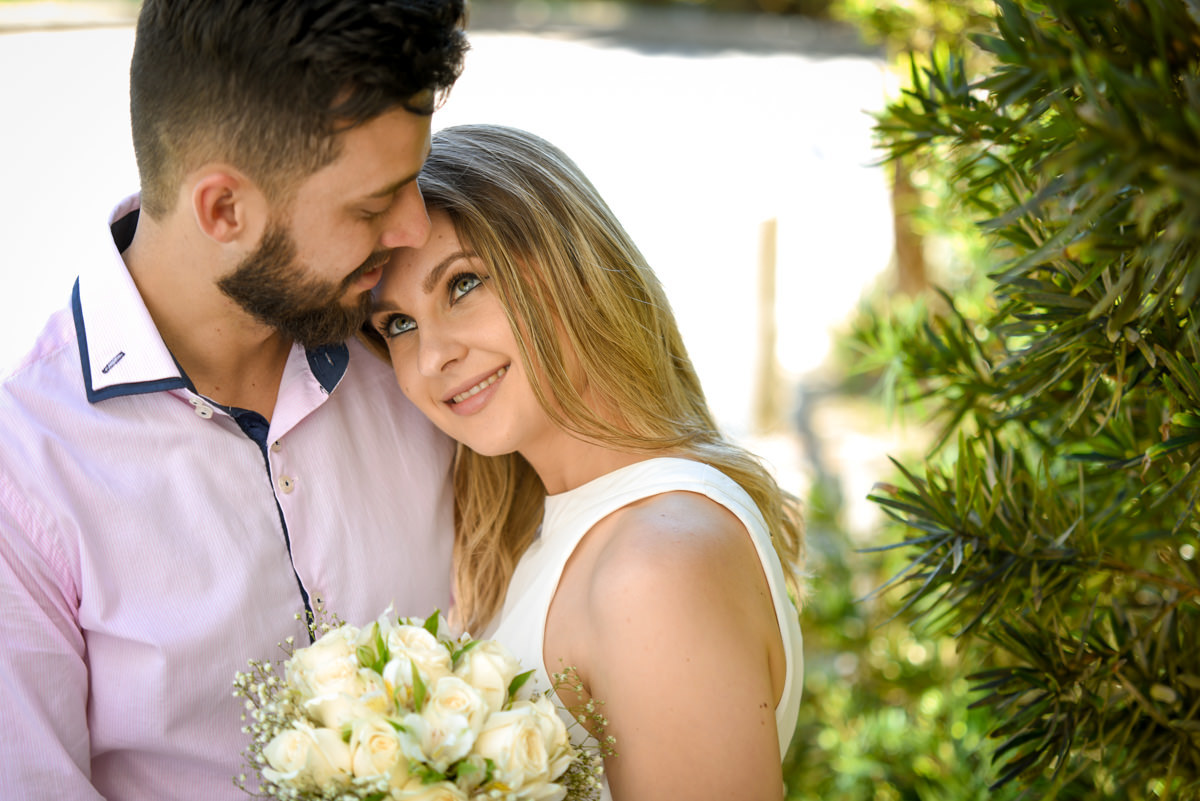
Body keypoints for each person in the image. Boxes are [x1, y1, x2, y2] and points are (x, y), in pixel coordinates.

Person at [0, 2, 468, 798]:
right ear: (223, 209)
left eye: (415, 180)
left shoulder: (424, 357)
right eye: (371, 204)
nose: (415, 229)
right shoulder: (27, 479)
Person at [365, 123, 806, 800]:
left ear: (567, 260)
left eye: (463, 283)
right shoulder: (548, 530)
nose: (433, 357)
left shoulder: (657, 564)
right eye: (398, 323)